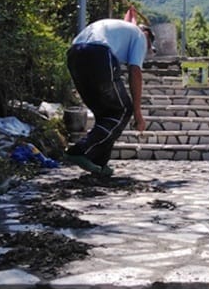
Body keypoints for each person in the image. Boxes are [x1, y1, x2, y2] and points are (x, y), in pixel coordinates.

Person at [64, 18, 154, 177]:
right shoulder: (140, 36)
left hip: (74, 53)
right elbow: (135, 72)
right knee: (123, 110)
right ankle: (79, 150)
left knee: (105, 115)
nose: (145, 53)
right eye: (148, 49)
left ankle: (100, 163)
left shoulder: (120, 31)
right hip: (99, 54)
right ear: (147, 36)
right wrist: (138, 113)